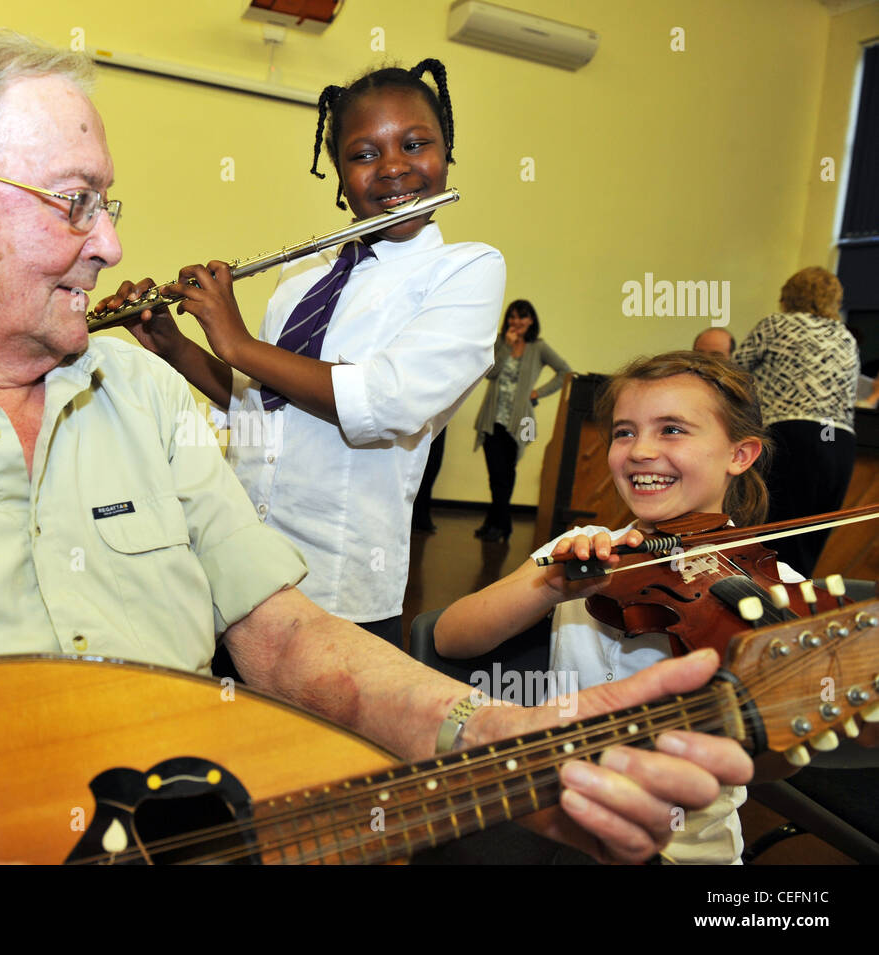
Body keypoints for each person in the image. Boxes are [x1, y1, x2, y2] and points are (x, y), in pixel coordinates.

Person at [0, 32, 750, 864]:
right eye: (75, 201)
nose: (110, 242)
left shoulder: (139, 397)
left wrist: (486, 733)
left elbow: (280, 634)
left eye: (111, 203)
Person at [105, 61, 502, 647]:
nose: (394, 167)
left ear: (446, 152)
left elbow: (385, 401)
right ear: (339, 174)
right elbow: (261, 406)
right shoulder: (303, 273)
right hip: (239, 564)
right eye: (364, 154)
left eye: (415, 144)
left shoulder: (467, 269)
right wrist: (176, 345)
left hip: (340, 585)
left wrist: (237, 340)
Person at [436, 351, 788, 863]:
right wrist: (551, 587)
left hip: (684, 849)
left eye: (672, 430)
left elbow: (778, 758)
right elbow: (450, 636)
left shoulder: (775, 590)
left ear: (740, 454)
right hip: (553, 815)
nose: (641, 450)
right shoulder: (582, 548)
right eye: (624, 432)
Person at [734, 267, 859, 575]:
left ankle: (763, 609)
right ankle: (795, 601)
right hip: (835, 438)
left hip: (792, 432)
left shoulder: (777, 324)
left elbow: (732, 373)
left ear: (788, 295)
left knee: (773, 534)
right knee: (808, 537)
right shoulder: (845, 337)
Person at [471, 299, 571, 542]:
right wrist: (505, 346)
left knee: (507, 471)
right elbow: (490, 374)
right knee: (497, 474)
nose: (517, 322)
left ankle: (496, 523)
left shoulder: (539, 347)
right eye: (512, 317)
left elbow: (565, 371)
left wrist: (537, 392)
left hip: (523, 422)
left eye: (522, 317)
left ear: (531, 320)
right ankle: (500, 523)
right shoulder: (499, 343)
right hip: (491, 417)